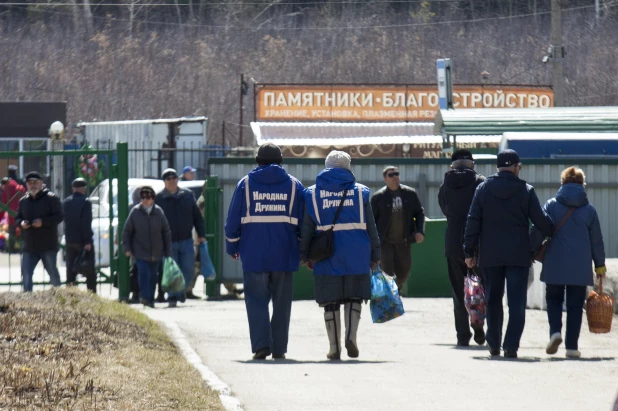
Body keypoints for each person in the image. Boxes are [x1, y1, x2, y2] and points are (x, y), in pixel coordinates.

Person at [464, 150, 554, 358]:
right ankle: (511, 346)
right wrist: (534, 244)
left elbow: (473, 221)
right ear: (515, 167)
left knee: (494, 299)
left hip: (490, 255)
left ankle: (493, 344)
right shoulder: (526, 191)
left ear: (498, 167)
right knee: (516, 303)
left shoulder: (483, 189)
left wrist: (469, 251)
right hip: (518, 256)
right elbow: (541, 222)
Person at [225, 143, 304, 360]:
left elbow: (233, 221)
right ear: (280, 161)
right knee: (281, 304)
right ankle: (279, 348)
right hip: (285, 254)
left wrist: (232, 245)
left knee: (256, 301)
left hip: (254, 255)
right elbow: (304, 224)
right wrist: (303, 250)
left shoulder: (246, 184)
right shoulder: (295, 186)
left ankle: (261, 347)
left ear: (257, 160)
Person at [300, 150, 380, 361]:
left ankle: (334, 347)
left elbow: (307, 228)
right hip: (358, 252)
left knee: (330, 301)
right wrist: (376, 255)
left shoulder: (312, 194)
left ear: (326, 166)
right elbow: (371, 227)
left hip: (326, 255)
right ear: (348, 167)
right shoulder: (361, 192)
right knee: (354, 296)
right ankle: (351, 336)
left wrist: (305, 255)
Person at [531, 166, 606, 358]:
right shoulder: (589, 210)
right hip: (579, 266)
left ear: (562, 183)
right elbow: (596, 240)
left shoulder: (551, 205)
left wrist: (530, 251)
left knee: (554, 298)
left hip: (555, 261)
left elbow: (539, 229)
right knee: (575, 305)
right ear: (582, 184)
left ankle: (555, 332)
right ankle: (572, 347)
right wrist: (600, 266)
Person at [438, 149, 486, 347]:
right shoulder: (481, 183)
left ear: (452, 166)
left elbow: (445, 209)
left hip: (453, 244)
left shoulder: (444, 186)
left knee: (458, 291)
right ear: (472, 164)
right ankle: (479, 322)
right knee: (480, 288)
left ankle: (462, 336)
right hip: (478, 244)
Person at [155, 168, 206, 308]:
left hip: (186, 239)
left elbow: (197, 217)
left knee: (188, 269)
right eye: (168, 178)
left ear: (177, 179)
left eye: (174, 177)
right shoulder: (159, 198)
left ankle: (181, 290)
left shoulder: (187, 195)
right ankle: (173, 297)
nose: (171, 181)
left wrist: (201, 235)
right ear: (164, 181)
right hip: (168, 241)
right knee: (172, 270)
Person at [370, 165, 425, 293]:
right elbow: (371, 220)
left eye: (397, 174)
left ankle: (394, 288)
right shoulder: (378, 197)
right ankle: (390, 300)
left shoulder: (409, 194)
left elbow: (419, 213)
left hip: (404, 241)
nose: (395, 177)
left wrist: (419, 231)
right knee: (387, 272)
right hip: (385, 242)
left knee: (404, 272)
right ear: (385, 179)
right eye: (391, 175)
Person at [122, 186, 172, 308]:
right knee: (143, 273)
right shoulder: (135, 212)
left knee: (153, 276)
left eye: (148, 197)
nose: (145, 199)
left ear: (153, 198)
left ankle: (150, 299)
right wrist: (127, 248)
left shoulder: (159, 212)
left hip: (156, 251)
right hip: (140, 251)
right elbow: (127, 231)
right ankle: (144, 297)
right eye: (143, 196)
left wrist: (168, 251)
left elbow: (166, 232)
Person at [15, 171, 64, 292]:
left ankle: (60, 297)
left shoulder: (51, 198)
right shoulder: (23, 201)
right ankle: (27, 300)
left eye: (35, 182)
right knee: (26, 274)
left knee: (52, 273)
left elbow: (59, 216)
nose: (33, 185)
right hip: (30, 246)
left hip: (47, 245)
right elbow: (17, 218)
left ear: (41, 183)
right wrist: (21, 223)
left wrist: (43, 222)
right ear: (26, 185)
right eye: (30, 183)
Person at [63, 178, 96, 293]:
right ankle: (92, 295)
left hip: (70, 240)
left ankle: (71, 294)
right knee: (89, 271)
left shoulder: (66, 202)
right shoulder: (86, 202)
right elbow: (86, 222)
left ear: (73, 189)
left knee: (70, 271)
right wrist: (88, 241)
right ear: (84, 189)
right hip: (83, 241)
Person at [0, 166, 26, 253]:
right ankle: (23, 248)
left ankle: (11, 249)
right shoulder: (20, 182)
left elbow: (3, 204)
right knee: (22, 230)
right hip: (22, 211)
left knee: (12, 231)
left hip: (11, 213)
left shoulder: (6, 186)